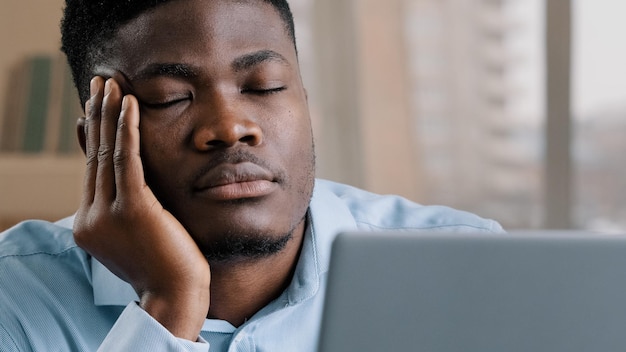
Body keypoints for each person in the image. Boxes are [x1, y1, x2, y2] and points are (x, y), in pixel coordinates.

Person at [0, 0, 504, 350]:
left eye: (263, 87)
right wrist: (169, 305)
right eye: (170, 97)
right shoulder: (15, 297)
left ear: (305, 102)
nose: (229, 127)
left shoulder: (469, 266)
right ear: (96, 145)